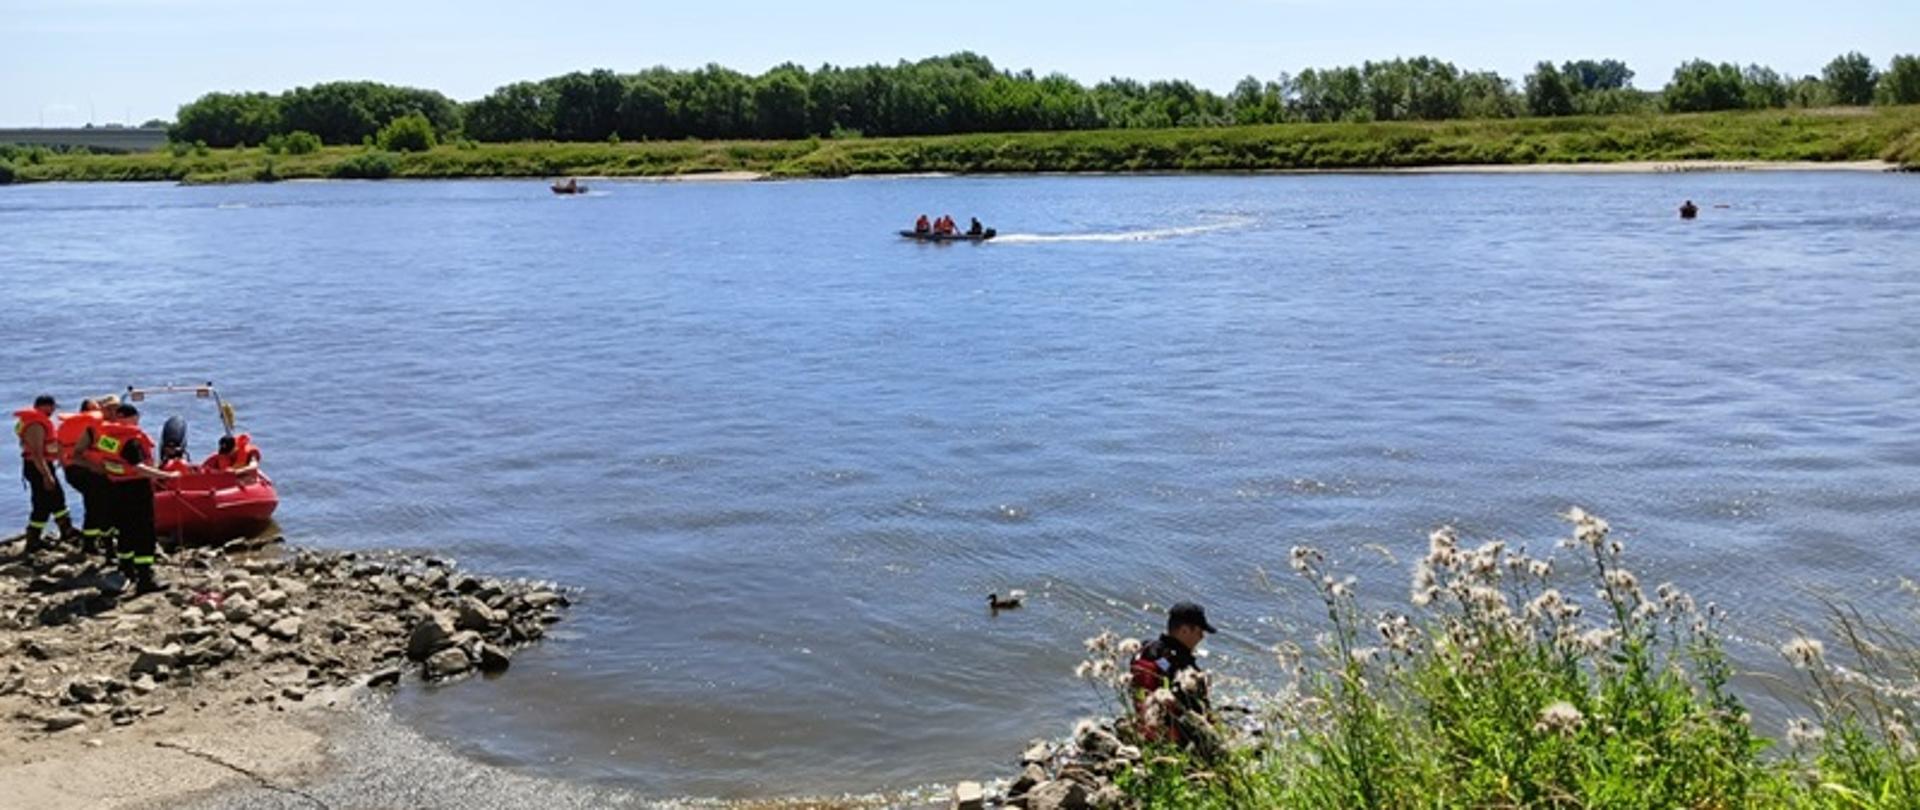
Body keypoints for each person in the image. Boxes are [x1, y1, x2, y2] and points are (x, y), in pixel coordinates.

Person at [84, 404, 179, 593]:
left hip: (115, 488)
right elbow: (137, 467)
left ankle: (126, 569)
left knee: (125, 531)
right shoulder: (131, 441)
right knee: (144, 533)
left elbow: (106, 460)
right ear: (130, 418)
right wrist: (166, 476)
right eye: (136, 418)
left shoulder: (107, 438)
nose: (137, 422)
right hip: (136, 490)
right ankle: (145, 578)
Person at [1130, 602, 1222, 756]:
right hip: (1172, 739)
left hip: (1143, 724)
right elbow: (1196, 711)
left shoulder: (1145, 649)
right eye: (1199, 631)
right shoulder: (1182, 666)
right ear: (1185, 630)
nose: (1202, 637)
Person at [13, 394, 75, 550]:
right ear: (44, 406)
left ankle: (66, 531)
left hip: (41, 465)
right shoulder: (35, 424)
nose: (53, 411)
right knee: (42, 503)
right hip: (37, 467)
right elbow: (36, 453)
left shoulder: (32, 421)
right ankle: (33, 539)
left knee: (56, 498)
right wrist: (47, 475)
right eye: (52, 407)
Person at [55, 399, 110, 555]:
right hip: (91, 470)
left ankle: (93, 540)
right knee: (97, 505)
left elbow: (59, 449)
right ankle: (91, 543)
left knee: (93, 503)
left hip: (72, 472)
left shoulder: (65, 425)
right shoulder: (95, 423)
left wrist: (65, 467)